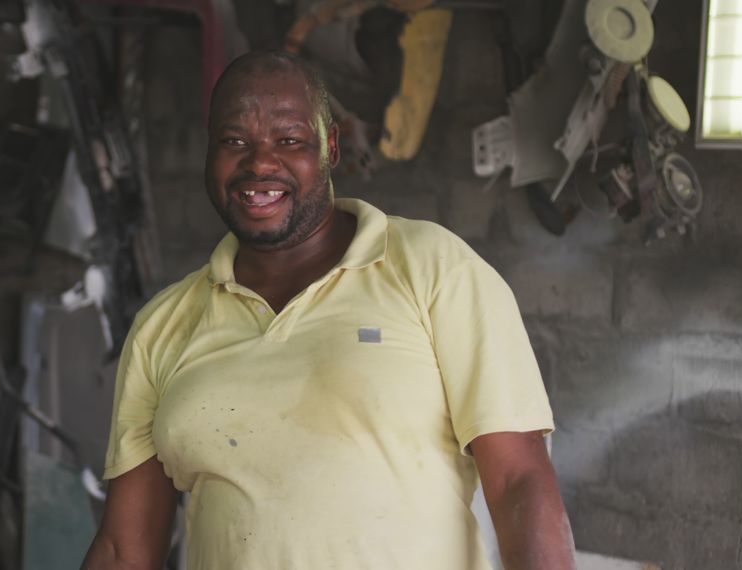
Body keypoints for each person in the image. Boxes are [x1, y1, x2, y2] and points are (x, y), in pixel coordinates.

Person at [81, 50, 575, 570]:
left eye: (289, 140)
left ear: (331, 147)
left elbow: (520, 482)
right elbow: (123, 550)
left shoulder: (432, 268)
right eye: (234, 142)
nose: (260, 163)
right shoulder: (163, 327)